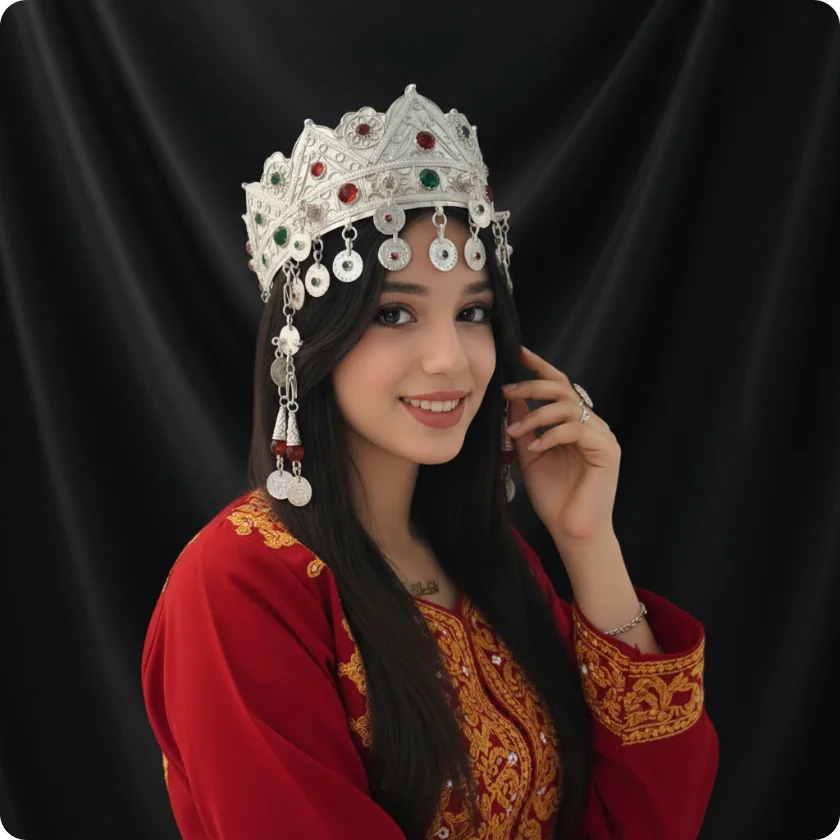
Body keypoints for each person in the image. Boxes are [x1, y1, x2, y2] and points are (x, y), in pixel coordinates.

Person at [141, 84, 719, 840]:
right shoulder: (237, 586)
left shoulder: (488, 559)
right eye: (394, 313)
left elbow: (648, 820)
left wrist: (589, 543)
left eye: (472, 312)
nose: (451, 358)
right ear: (306, 345)